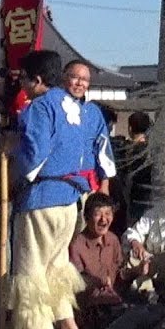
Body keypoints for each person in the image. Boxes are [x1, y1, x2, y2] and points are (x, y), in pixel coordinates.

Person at [7, 49, 89, 329]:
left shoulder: (40, 107)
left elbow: (35, 156)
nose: (22, 86)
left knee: (31, 278)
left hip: (42, 198)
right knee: (56, 272)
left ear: (37, 80)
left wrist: (14, 150)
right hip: (69, 199)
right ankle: (68, 326)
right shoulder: (74, 107)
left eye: (25, 80)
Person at [68, 193, 142, 327]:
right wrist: (97, 282)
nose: (104, 219)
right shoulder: (76, 245)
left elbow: (119, 277)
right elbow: (75, 287)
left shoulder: (113, 240)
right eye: (98, 214)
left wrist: (137, 271)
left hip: (115, 305)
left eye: (108, 213)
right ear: (86, 217)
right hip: (91, 313)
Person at [63, 61, 117, 231]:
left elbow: (103, 149)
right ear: (64, 78)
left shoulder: (93, 112)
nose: (80, 83)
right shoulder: (52, 108)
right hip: (60, 185)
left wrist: (105, 185)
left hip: (88, 186)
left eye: (85, 79)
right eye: (75, 77)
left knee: (84, 234)